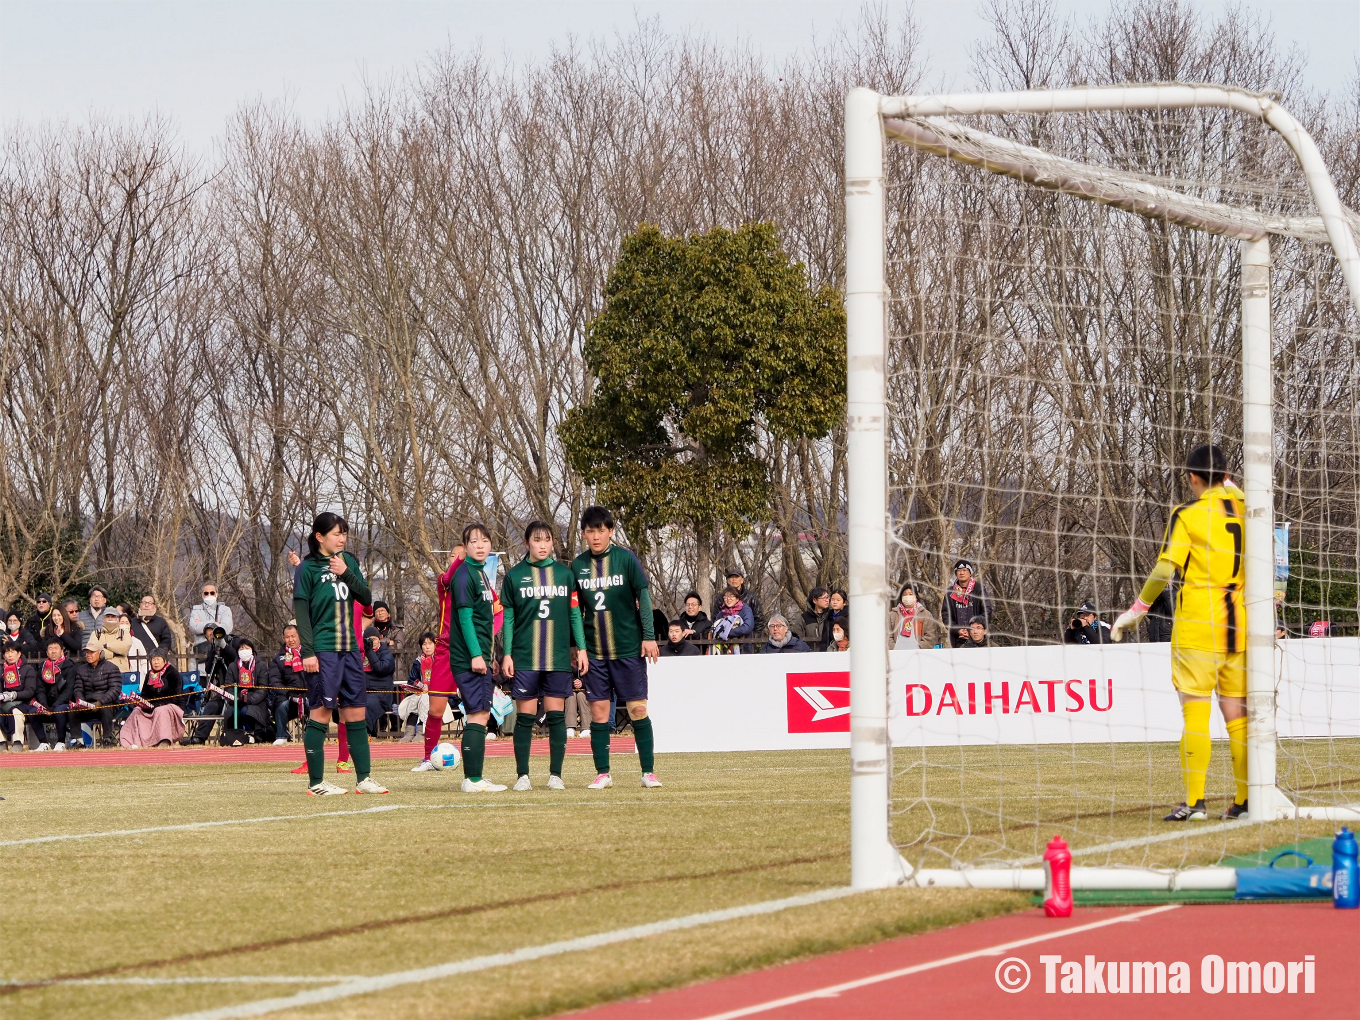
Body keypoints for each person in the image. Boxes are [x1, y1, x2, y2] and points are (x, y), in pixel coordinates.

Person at [1112, 444, 1248, 821]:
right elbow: (1232, 491)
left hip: (1200, 622)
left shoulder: (1188, 513)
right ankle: (1244, 800)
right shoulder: (1246, 505)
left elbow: (1164, 570)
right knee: (1237, 713)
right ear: (1225, 474)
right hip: (1240, 620)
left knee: (1195, 712)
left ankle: (1195, 803)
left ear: (1191, 478)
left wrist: (1137, 610)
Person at [294, 512, 386, 796]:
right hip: (323, 652)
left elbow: (366, 598)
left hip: (351, 651)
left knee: (356, 713)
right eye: (336, 533)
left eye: (344, 533)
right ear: (320, 537)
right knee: (321, 713)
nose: (342, 538)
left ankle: (363, 779)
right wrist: (308, 652)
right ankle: (316, 783)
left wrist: (345, 571)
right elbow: (301, 612)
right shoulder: (307, 568)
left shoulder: (350, 562)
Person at [573, 505, 661, 790]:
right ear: (584, 534)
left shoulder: (626, 559)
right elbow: (575, 611)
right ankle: (603, 773)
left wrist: (648, 636)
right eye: (590, 531)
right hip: (595, 653)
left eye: (601, 530)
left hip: (627, 649)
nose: (596, 536)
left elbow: (643, 596)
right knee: (599, 713)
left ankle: (648, 772)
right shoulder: (578, 566)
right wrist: (577, 646)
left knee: (637, 710)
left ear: (610, 531)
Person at [500, 519, 588, 791]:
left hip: (557, 657)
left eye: (547, 539)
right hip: (525, 657)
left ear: (552, 543)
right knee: (525, 718)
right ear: (527, 543)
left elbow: (575, 613)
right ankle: (522, 776)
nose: (542, 545)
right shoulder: (514, 576)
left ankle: (556, 775)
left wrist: (581, 648)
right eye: (536, 540)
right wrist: (506, 653)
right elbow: (509, 619)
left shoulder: (566, 575)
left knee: (556, 717)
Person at [440, 522, 506, 792]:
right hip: (468, 659)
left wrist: (488, 654)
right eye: (474, 541)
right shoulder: (465, 575)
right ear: (464, 547)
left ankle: (475, 777)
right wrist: (477, 655)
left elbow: (486, 620)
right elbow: (465, 618)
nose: (480, 546)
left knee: (481, 714)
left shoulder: (481, 574)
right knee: (477, 715)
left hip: (480, 656)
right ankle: (473, 779)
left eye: (484, 541)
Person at [413, 543, 465, 773]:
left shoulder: (479, 582)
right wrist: (461, 560)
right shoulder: (445, 581)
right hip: (446, 651)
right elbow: (449, 575)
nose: (458, 559)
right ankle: (428, 757)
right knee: (435, 709)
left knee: (476, 710)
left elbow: (498, 609)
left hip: (471, 652)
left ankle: (474, 762)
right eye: (454, 556)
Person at [119, 647, 186, 748]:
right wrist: (140, 701)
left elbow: (176, 696)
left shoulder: (173, 673)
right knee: (137, 710)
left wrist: (159, 704)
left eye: (158, 659)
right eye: (153, 660)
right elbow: (145, 694)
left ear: (165, 660)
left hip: (171, 705)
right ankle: (131, 740)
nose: (156, 662)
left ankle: (164, 740)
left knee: (160, 711)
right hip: (152, 706)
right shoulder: (150, 674)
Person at [397, 632, 450, 743]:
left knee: (425, 699)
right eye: (424, 644)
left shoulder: (441, 660)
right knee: (416, 698)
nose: (427, 646)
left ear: (435, 645)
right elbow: (411, 681)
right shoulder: (418, 662)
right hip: (420, 693)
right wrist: (419, 687)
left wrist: (430, 687)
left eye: (430, 643)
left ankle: (421, 731)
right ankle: (409, 732)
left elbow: (446, 679)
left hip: (438, 694)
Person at [72, 637, 122, 747]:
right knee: (72, 710)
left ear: (100, 653)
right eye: (87, 652)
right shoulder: (81, 669)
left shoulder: (112, 668)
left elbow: (115, 690)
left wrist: (100, 702)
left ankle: (107, 739)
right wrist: (82, 703)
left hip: (106, 703)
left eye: (92, 652)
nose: (88, 655)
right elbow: (78, 689)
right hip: (87, 704)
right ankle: (78, 741)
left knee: (106, 708)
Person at [32, 637, 78, 750]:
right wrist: (44, 705)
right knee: (32, 712)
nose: (53, 651)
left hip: (63, 702)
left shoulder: (70, 666)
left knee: (59, 711)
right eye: (50, 649)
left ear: (62, 651)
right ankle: (43, 742)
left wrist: (55, 706)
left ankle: (61, 741)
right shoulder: (42, 666)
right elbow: (40, 689)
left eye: (56, 648)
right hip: (47, 703)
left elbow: (69, 690)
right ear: (47, 652)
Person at [268, 624, 307, 745]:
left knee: (314, 704)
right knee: (281, 704)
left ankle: (313, 735)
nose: (291, 640)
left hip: (308, 695)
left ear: (299, 636)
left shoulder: (309, 655)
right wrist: (288, 694)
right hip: (287, 696)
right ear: (284, 638)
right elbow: (274, 681)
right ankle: (281, 735)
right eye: (287, 637)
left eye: (293, 636)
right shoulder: (278, 659)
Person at [941, 560, 989, 648]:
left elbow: (987, 611)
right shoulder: (950, 592)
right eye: (959, 571)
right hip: (958, 638)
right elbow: (946, 615)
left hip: (978, 638)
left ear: (970, 573)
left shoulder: (979, 589)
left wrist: (976, 629)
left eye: (964, 570)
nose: (961, 573)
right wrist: (958, 630)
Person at [1, 640, 39, 750]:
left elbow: (30, 691)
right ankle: (1, 742)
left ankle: (17, 742)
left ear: (19, 653)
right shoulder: (2, 671)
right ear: (4, 655)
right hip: (4, 702)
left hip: (25, 702)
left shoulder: (28, 669)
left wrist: (13, 695)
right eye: (7, 652)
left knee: (16, 711)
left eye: (12, 652)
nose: (10, 655)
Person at [189, 582, 233, 669]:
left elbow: (227, 628)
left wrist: (203, 623)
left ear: (216, 594)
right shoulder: (196, 609)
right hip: (201, 656)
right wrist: (215, 624)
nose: (209, 595)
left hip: (221, 654)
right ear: (202, 595)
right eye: (206, 593)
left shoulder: (225, 609)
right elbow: (194, 626)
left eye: (212, 593)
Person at [362, 629, 397, 738]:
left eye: (374, 639)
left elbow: (381, 668)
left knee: (365, 705)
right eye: (369, 640)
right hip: (363, 691)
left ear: (379, 639)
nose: (372, 642)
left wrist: (369, 651)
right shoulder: (360, 653)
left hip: (381, 693)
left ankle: (364, 734)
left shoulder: (385, 653)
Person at [893, 582, 945, 650]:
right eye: (905, 594)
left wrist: (920, 648)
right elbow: (887, 634)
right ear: (901, 597)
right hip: (896, 654)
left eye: (911, 594)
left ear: (916, 597)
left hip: (918, 655)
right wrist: (893, 648)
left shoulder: (926, 615)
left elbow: (930, 636)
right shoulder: (893, 614)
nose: (908, 596)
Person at [725, 569, 765, 634]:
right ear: (728, 581)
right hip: (725, 639)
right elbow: (716, 619)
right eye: (731, 577)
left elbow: (759, 619)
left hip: (747, 638)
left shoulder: (751, 597)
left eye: (736, 577)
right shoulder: (721, 598)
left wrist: (754, 638)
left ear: (742, 580)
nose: (734, 580)